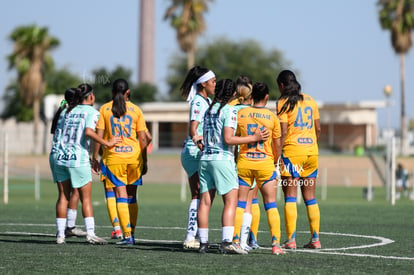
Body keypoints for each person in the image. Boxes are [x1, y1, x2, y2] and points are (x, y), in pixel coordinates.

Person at [197, 79, 269, 254]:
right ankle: (227, 242)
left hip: (205, 158)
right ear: (234, 94)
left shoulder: (208, 110)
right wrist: (254, 138)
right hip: (223, 159)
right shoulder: (228, 110)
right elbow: (229, 139)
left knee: (205, 203)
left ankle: (203, 243)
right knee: (231, 202)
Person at [50, 84, 121, 245]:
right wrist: (107, 143)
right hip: (77, 158)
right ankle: (90, 234)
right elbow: (89, 132)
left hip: (58, 156)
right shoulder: (91, 112)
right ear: (90, 97)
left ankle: (60, 235)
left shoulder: (66, 110)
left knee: (63, 196)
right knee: (86, 198)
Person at [92, 78, 148, 246]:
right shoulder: (136, 110)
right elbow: (144, 139)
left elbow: (99, 137)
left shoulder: (104, 109)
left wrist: (95, 157)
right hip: (134, 158)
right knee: (132, 196)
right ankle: (132, 232)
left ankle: (127, 235)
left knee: (120, 195)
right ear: (128, 93)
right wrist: (144, 160)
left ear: (112, 92)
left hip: (114, 158)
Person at [232, 81, 283, 255]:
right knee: (270, 205)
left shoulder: (242, 114)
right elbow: (277, 145)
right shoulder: (272, 117)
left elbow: (236, 138)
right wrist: (275, 162)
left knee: (240, 204)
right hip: (265, 164)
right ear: (267, 97)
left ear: (251, 96)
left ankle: (236, 240)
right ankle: (276, 244)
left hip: (244, 163)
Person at [276, 70, 321, 249]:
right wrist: (310, 145)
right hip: (312, 153)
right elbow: (318, 129)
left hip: (292, 153)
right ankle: (315, 239)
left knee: (290, 197)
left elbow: (283, 131)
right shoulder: (310, 100)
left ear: (281, 85)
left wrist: (278, 153)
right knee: (310, 198)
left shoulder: (283, 102)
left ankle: (291, 240)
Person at [180, 66, 216, 249]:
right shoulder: (198, 102)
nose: (215, 85)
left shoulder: (206, 100)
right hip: (195, 152)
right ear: (203, 84)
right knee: (198, 193)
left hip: (198, 151)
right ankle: (190, 237)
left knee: (203, 194)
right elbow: (193, 129)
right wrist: (200, 145)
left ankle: (193, 235)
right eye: (213, 82)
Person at [50, 89, 87, 238]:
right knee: (76, 191)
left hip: (55, 155)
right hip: (70, 155)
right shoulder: (73, 114)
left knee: (62, 195)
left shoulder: (61, 112)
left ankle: (60, 234)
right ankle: (70, 226)